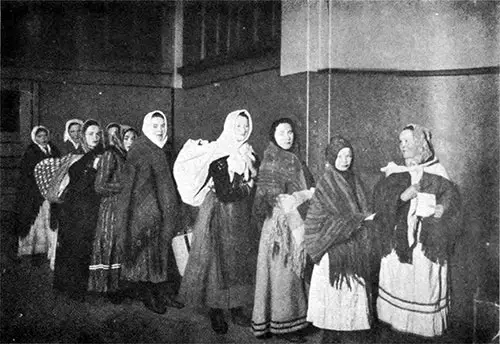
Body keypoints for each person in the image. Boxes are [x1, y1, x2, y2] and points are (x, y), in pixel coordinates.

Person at [373, 124, 462, 338]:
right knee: (400, 284)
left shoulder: (437, 170)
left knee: (423, 283)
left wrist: (442, 208)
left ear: (420, 145)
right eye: (401, 142)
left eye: (407, 142)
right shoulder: (395, 171)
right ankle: (398, 328)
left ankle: (420, 331)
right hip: (399, 239)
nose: (402, 146)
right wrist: (404, 196)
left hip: (426, 239)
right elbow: (380, 202)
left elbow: (452, 200)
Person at [175, 110, 259, 335]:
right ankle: (216, 310)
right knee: (217, 262)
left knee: (238, 260)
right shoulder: (220, 154)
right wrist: (249, 186)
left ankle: (236, 306)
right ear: (229, 126)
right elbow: (225, 193)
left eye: (245, 126)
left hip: (241, 215)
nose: (241, 130)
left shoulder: (249, 153)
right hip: (220, 213)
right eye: (238, 126)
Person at [304, 136, 375, 343]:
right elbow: (323, 220)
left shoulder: (354, 179)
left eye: (349, 155)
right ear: (332, 157)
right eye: (340, 156)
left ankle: (346, 334)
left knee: (350, 301)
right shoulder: (327, 182)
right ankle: (331, 336)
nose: (345, 160)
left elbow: (361, 209)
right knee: (333, 301)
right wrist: (357, 221)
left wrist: (361, 220)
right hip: (330, 247)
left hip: (351, 243)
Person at [251, 118, 314, 343]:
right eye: (282, 133)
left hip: (294, 218)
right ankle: (283, 324)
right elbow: (266, 198)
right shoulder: (271, 160)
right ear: (273, 136)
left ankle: (297, 319)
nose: (287, 137)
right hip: (278, 224)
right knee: (283, 273)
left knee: (294, 271)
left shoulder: (295, 159)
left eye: (290, 133)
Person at [115, 110, 183, 314]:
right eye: (155, 126)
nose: (160, 129)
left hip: (162, 209)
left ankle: (164, 293)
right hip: (144, 212)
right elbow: (131, 186)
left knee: (163, 254)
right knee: (147, 256)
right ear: (146, 127)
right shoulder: (141, 148)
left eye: (162, 125)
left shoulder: (159, 149)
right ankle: (148, 295)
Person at [53, 119, 104, 301]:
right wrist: (92, 170)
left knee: (87, 248)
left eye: (98, 134)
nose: (95, 137)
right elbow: (76, 184)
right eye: (91, 134)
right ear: (83, 136)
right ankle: (72, 288)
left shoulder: (102, 154)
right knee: (74, 248)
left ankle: (84, 287)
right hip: (75, 209)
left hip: (91, 208)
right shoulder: (76, 156)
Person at [87, 123, 128, 301]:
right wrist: (124, 187)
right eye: (110, 135)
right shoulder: (109, 155)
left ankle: (117, 286)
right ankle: (107, 288)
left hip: (121, 205)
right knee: (109, 245)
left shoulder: (123, 155)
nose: (114, 138)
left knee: (119, 246)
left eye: (117, 134)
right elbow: (100, 186)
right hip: (110, 206)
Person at [16, 126, 61, 260]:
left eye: (45, 136)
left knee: (50, 217)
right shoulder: (31, 152)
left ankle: (49, 247)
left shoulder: (53, 150)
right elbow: (27, 174)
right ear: (34, 138)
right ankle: (33, 250)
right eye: (40, 136)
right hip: (35, 191)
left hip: (51, 189)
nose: (43, 139)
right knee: (36, 218)